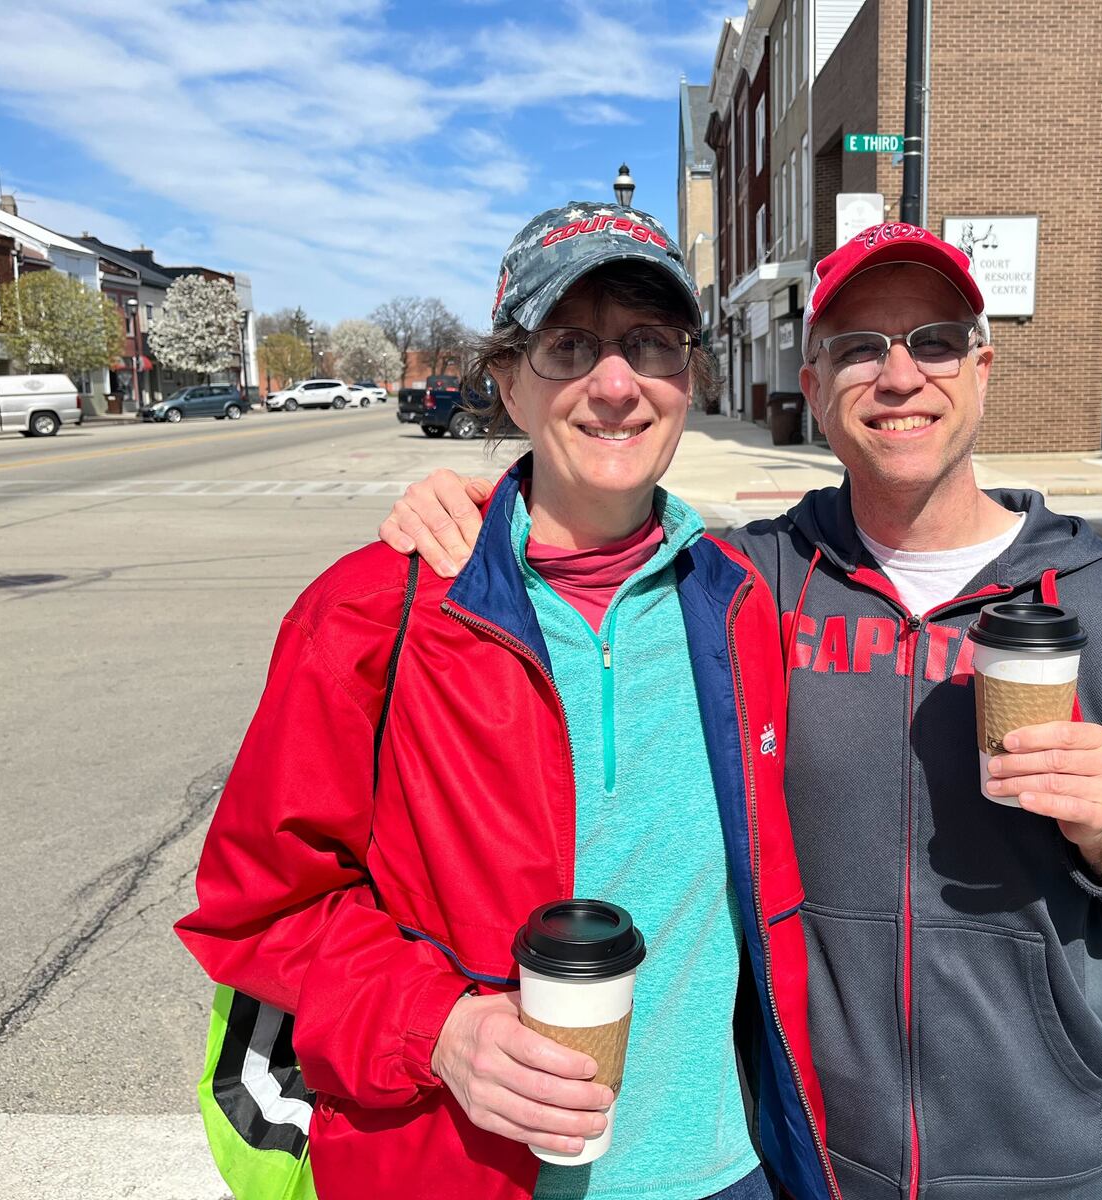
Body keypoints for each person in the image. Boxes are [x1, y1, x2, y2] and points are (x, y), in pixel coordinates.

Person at [378, 222, 1102, 1199]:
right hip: (819, 1161)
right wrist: (483, 507)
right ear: (816, 385)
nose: (900, 375)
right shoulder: (751, 584)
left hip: (1048, 1160)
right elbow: (597, 528)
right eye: (860, 348)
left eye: (935, 342)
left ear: (982, 368)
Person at [177, 203, 839, 1200]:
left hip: (723, 1171)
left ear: (689, 379)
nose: (614, 385)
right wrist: (436, 1028)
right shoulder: (372, 613)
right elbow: (259, 909)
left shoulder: (742, 601)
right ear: (509, 383)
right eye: (569, 346)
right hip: (469, 1174)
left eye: (649, 344)